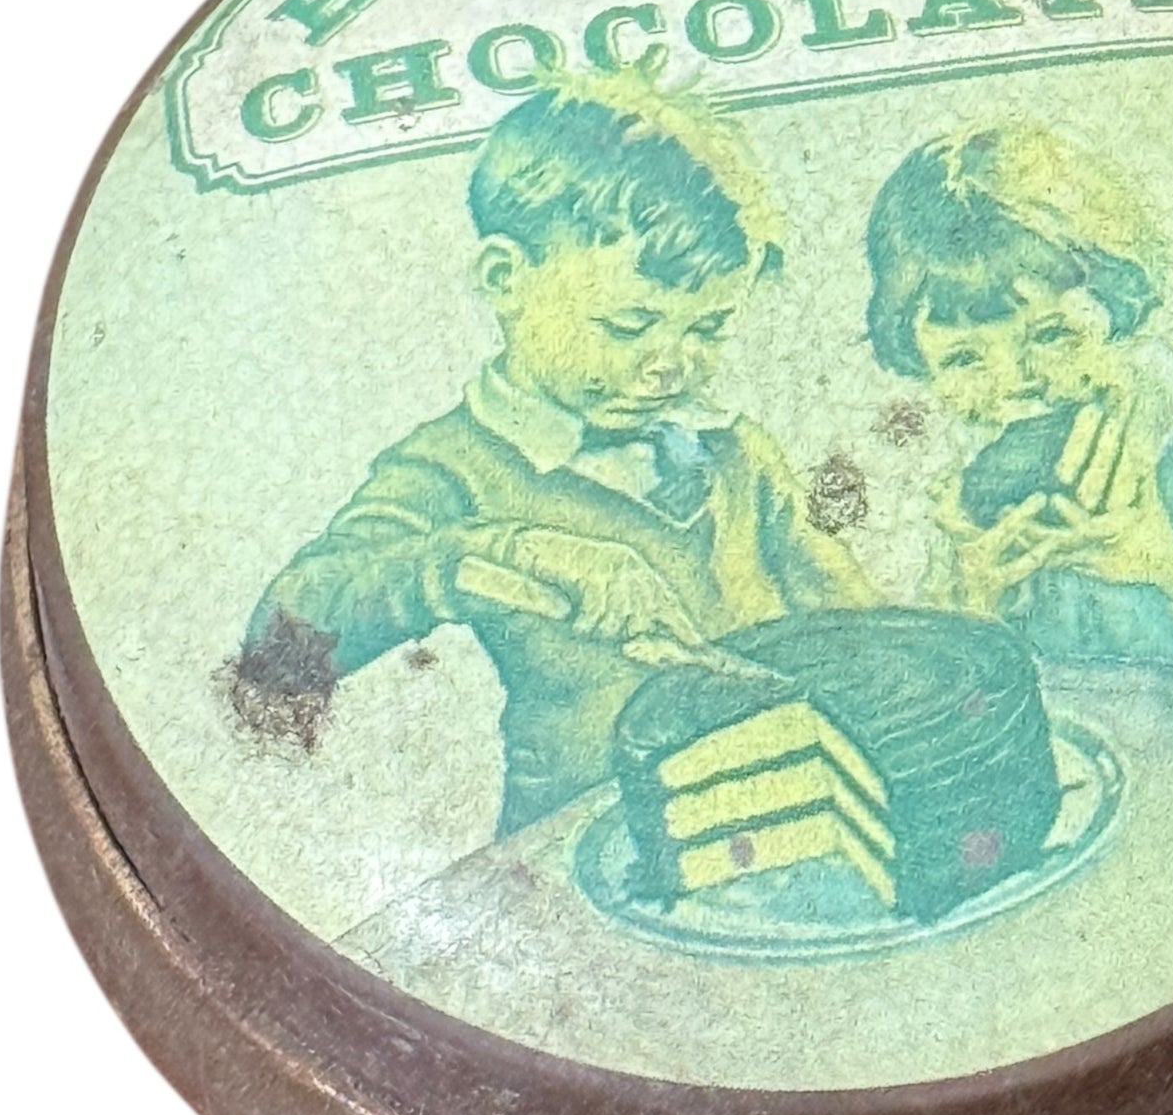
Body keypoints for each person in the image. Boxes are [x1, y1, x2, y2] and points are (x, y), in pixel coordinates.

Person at [238, 72, 875, 833]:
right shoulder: (452, 467)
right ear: (506, 278)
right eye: (629, 325)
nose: (670, 367)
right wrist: (507, 554)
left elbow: (857, 621)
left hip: (783, 798)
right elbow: (277, 641)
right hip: (589, 838)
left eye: (706, 330)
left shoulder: (734, 448)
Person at [864, 122, 1173, 675]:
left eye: (1052, 335)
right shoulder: (961, 480)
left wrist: (1171, 561)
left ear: (1112, 310)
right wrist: (973, 601)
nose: (1016, 381)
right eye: (964, 359)